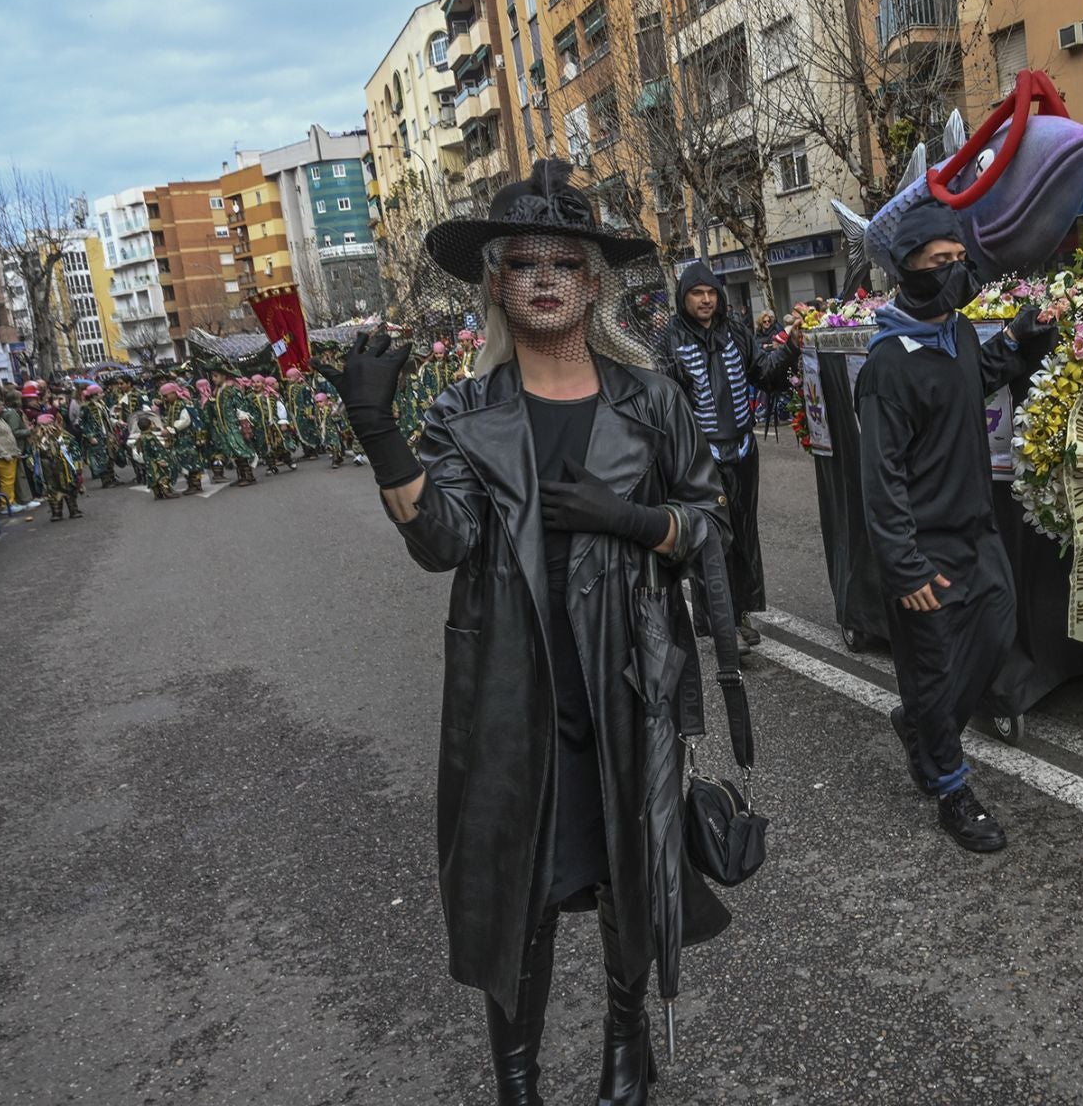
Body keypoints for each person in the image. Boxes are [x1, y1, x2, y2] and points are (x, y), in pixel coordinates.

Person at [317, 159, 735, 1106]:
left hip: (628, 678)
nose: (544, 274)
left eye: (564, 259)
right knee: (522, 892)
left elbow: (710, 523)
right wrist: (379, 429)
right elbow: (443, 540)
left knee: (632, 867)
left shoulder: (652, 400)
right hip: (512, 689)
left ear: (594, 283)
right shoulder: (468, 411)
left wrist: (632, 520)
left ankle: (626, 1053)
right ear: (497, 285)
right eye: (522, 261)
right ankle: (518, 1080)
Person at [856, 195, 1055, 850]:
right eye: (940, 261)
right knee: (935, 672)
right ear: (908, 270)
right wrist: (904, 565)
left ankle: (920, 722)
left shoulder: (958, 334)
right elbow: (880, 481)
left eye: (960, 259)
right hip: (926, 549)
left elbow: (979, 376)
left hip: (978, 536)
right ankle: (949, 785)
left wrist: (1022, 336)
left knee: (996, 636)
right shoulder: (889, 363)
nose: (955, 271)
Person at [658, 261, 800, 649]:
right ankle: (720, 625)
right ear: (683, 298)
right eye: (696, 293)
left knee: (742, 536)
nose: (705, 300)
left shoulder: (736, 331)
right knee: (709, 540)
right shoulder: (669, 339)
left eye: (711, 292)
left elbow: (764, 373)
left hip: (742, 449)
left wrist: (792, 346)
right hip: (700, 458)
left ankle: (739, 613)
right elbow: (662, 401)